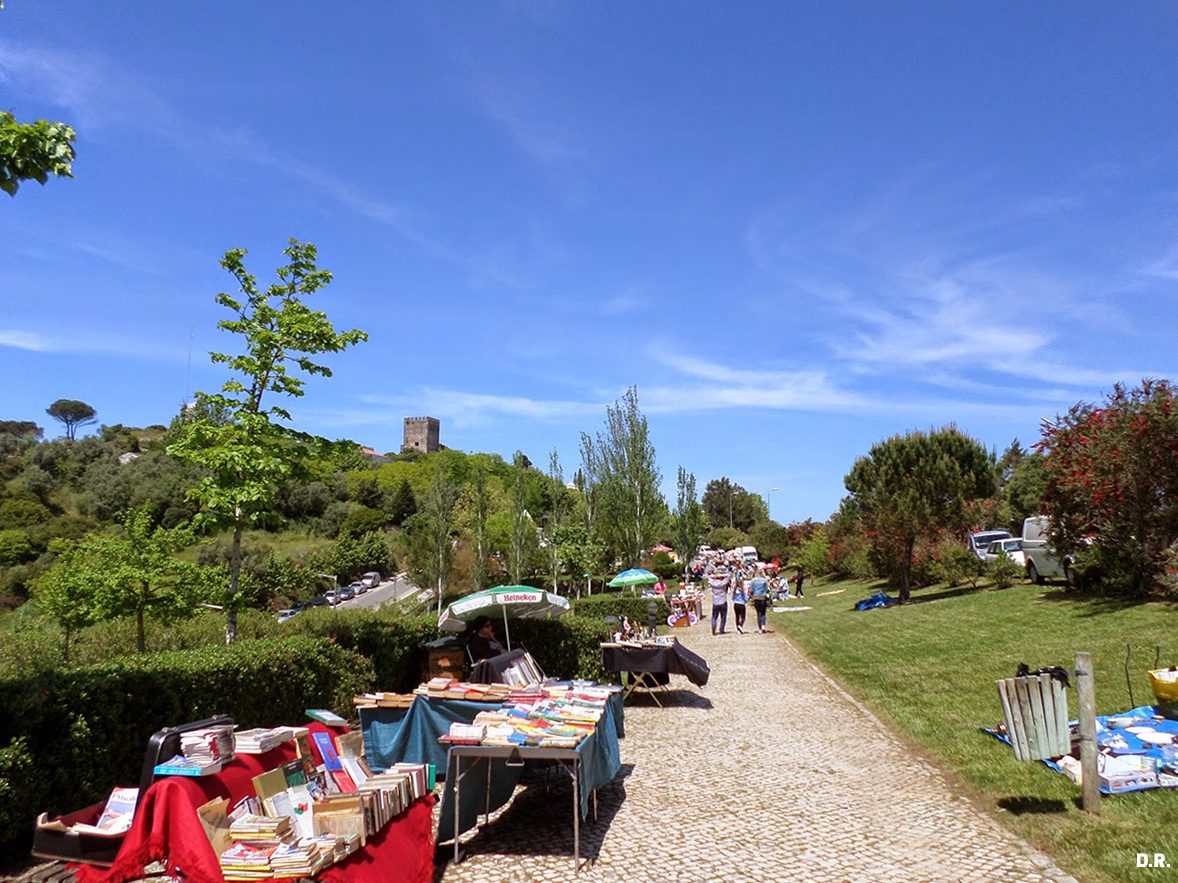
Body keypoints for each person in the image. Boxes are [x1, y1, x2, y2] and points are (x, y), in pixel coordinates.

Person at [708, 566, 730, 635]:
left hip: (715, 601)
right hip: (723, 601)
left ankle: (713, 626)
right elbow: (728, 575)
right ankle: (721, 629)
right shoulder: (723, 582)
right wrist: (721, 575)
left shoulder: (712, 583)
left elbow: (709, 576)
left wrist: (714, 576)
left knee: (714, 616)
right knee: (723, 616)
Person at [749, 567, 770, 633]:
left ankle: (760, 628)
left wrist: (752, 595)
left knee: (758, 613)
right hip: (763, 597)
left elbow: (751, 590)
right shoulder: (764, 580)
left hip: (756, 597)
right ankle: (763, 625)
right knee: (763, 613)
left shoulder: (753, 580)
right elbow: (767, 590)